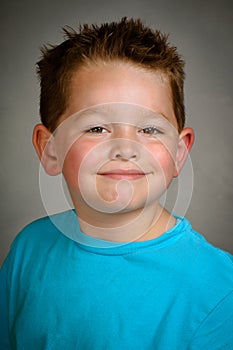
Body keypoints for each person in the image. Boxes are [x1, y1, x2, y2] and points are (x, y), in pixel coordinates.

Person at [0, 17, 232, 349]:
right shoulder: (28, 249)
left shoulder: (219, 291)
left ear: (179, 153)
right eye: (96, 128)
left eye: (149, 129)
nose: (126, 148)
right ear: (49, 150)